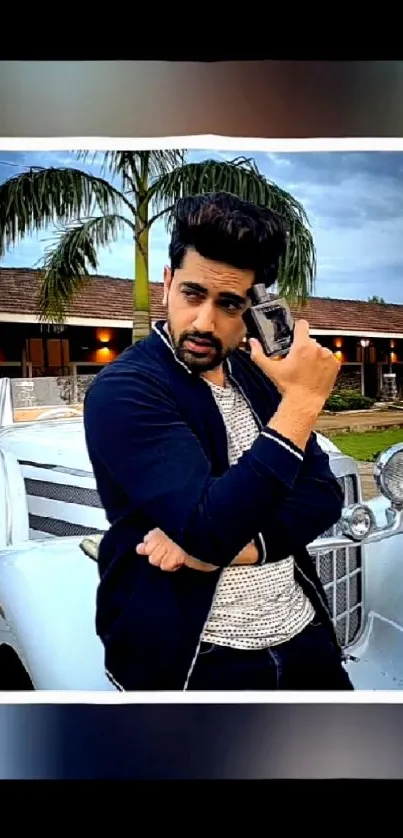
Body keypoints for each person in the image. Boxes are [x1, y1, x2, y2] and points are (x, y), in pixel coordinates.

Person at [83, 191, 353, 692]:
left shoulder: (255, 377)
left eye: (229, 304)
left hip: (301, 635)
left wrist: (237, 549)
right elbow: (208, 527)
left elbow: (323, 495)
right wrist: (301, 404)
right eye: (192, 294)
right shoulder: (126, 390)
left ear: (253, 309)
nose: (205, 322)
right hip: (196, 660)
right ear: (167, 283)